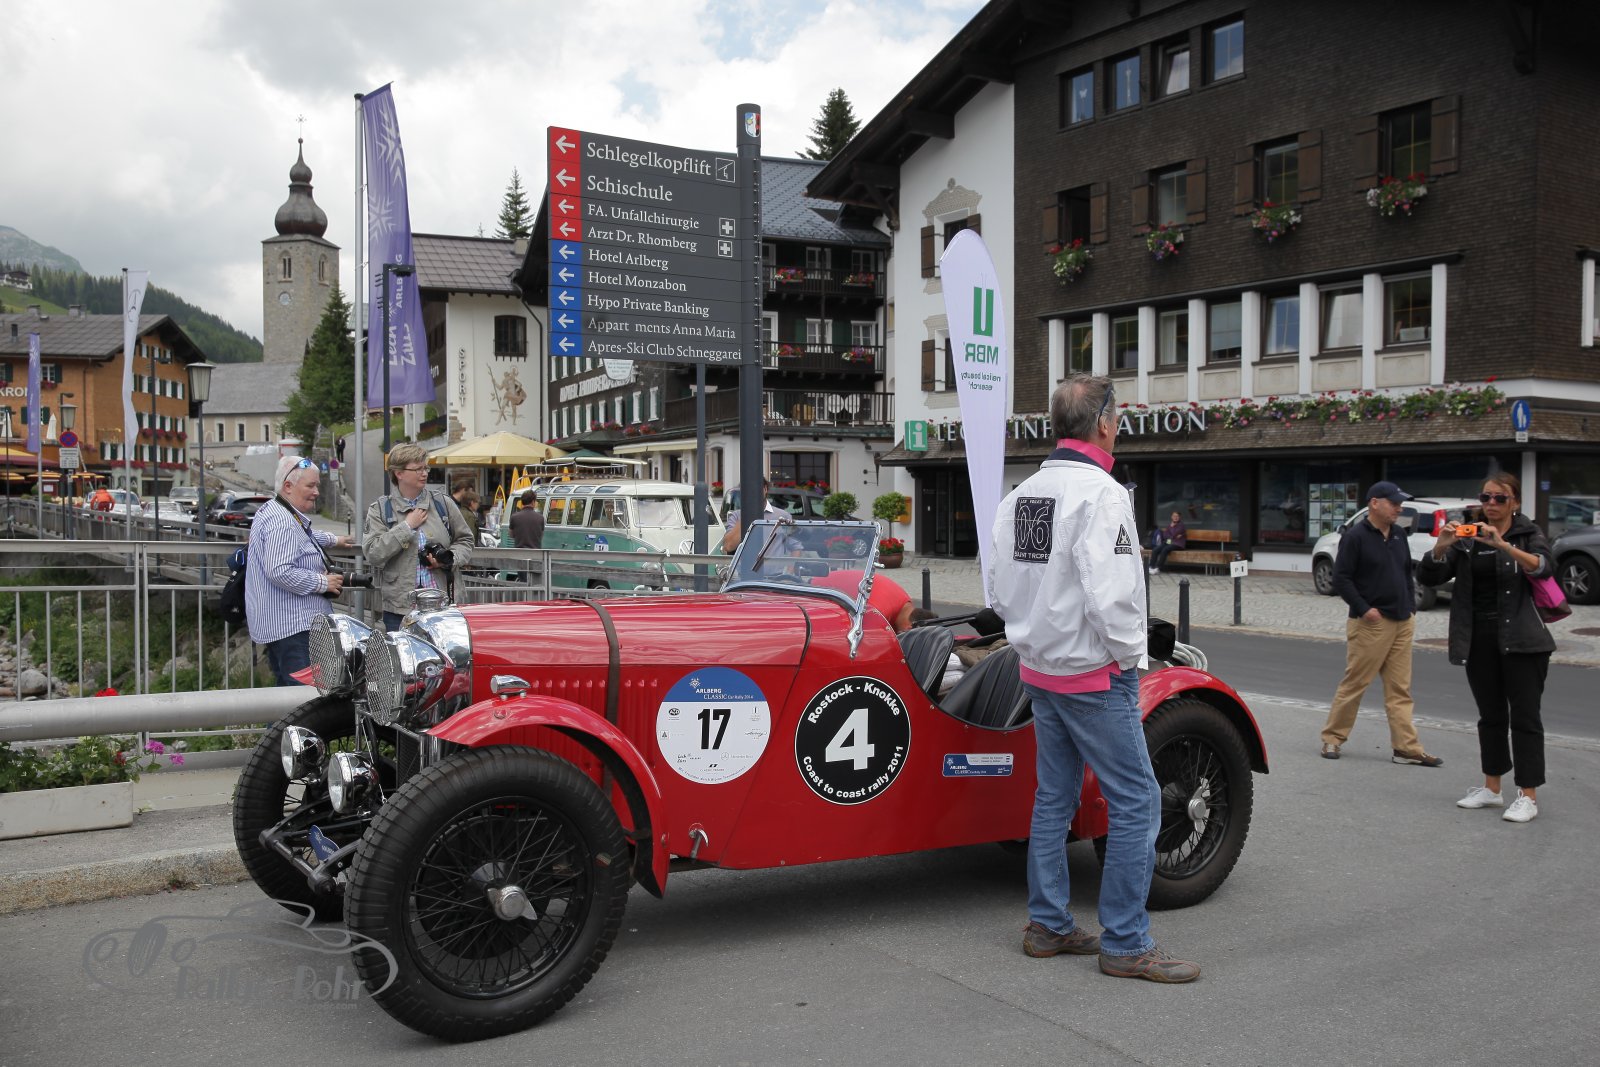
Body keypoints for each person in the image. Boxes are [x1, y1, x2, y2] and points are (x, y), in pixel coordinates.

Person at [987, 372, 1199, 984]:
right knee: (1137, 800)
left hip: (1039, 666)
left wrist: (1033, 635)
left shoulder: (1023, 493)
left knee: (1053, 797)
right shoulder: (1102, 494)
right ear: (1105, 423)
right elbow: (1115, 595)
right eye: (1118, 418)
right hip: (1091, 672)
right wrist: (1132, 656)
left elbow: (998, 587)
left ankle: (1048, 923)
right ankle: (1126, 941)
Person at [1417, 474, 1555, 822]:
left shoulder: (1528, 533)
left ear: (1515, 502)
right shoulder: (1469, 538)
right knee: (1490, 716)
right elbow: (1429, 577)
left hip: (1524, 638)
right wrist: (1441, 546)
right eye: (1486, 497)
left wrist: (1504, 545)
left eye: (1500, 498)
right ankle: (1492, 788)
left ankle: (1527, 795)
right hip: (1479, 637)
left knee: (1525, 718)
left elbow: (1543, 567)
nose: (1491, 504)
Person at [1319, 481, 1442, 766]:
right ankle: (1332, 738)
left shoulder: (1398, 534)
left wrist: (1410, 607)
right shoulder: (1355, 537)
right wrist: (1364, 610)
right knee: (1355, 684)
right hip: (1371, 623)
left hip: (1402, 620)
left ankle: (1406, 748)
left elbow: (1406, 572)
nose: (1399, 508)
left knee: (1400, 689)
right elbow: (1341, 579)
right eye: (1393, 503)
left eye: (1400, 504)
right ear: (1374, 503)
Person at [246, 455, 356, 686]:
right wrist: (323, 583)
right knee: (303, 697)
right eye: (310, 486)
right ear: (288, 486)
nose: (316, 492)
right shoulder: (283, 522)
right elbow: (279, 570)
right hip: (294, 628)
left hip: (281, 625)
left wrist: (333, 539)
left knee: (286, 697)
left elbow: (303, 537)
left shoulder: (275, 510)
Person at [363, 443, 475, 631]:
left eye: (426, 468)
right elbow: (373, 553)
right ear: (399, 473)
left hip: (443, 605)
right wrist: (407, 526)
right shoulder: (380, 510)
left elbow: (465, 540)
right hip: (400, 609)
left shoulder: (442, 504)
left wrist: (448, 559)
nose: (425, 473)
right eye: (418, 469)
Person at [809, 569, 916, 632]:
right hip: (815, 590)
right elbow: (864, 632)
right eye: (903, 633)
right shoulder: (880, 608)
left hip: (828, 590)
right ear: (909, 628)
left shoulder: (904, 602)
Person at [720, 478, 789, 554]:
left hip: (773, 561)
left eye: (755, 489)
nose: (752, 493)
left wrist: (790, 563)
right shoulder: (736, 516)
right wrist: (748, 512)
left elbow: (796, 548)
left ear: (765, 489)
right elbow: (728, 546)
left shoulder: (782, 516)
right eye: (747, 491)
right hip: (746, 561)